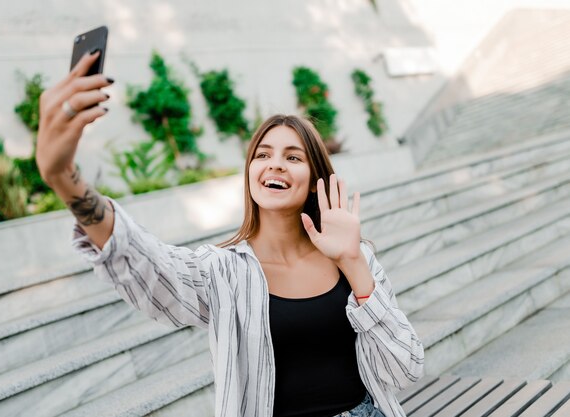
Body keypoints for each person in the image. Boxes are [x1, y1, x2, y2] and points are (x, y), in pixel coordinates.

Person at [36, 51, 424, 417]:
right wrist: (65, 181)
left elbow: (404, 369)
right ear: (251, 175)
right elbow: (148, 265)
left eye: (293, 157)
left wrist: (353, 263)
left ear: (313, 181)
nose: (275, 165)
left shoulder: (355, 259)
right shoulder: (224, 270)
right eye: (262, 154)